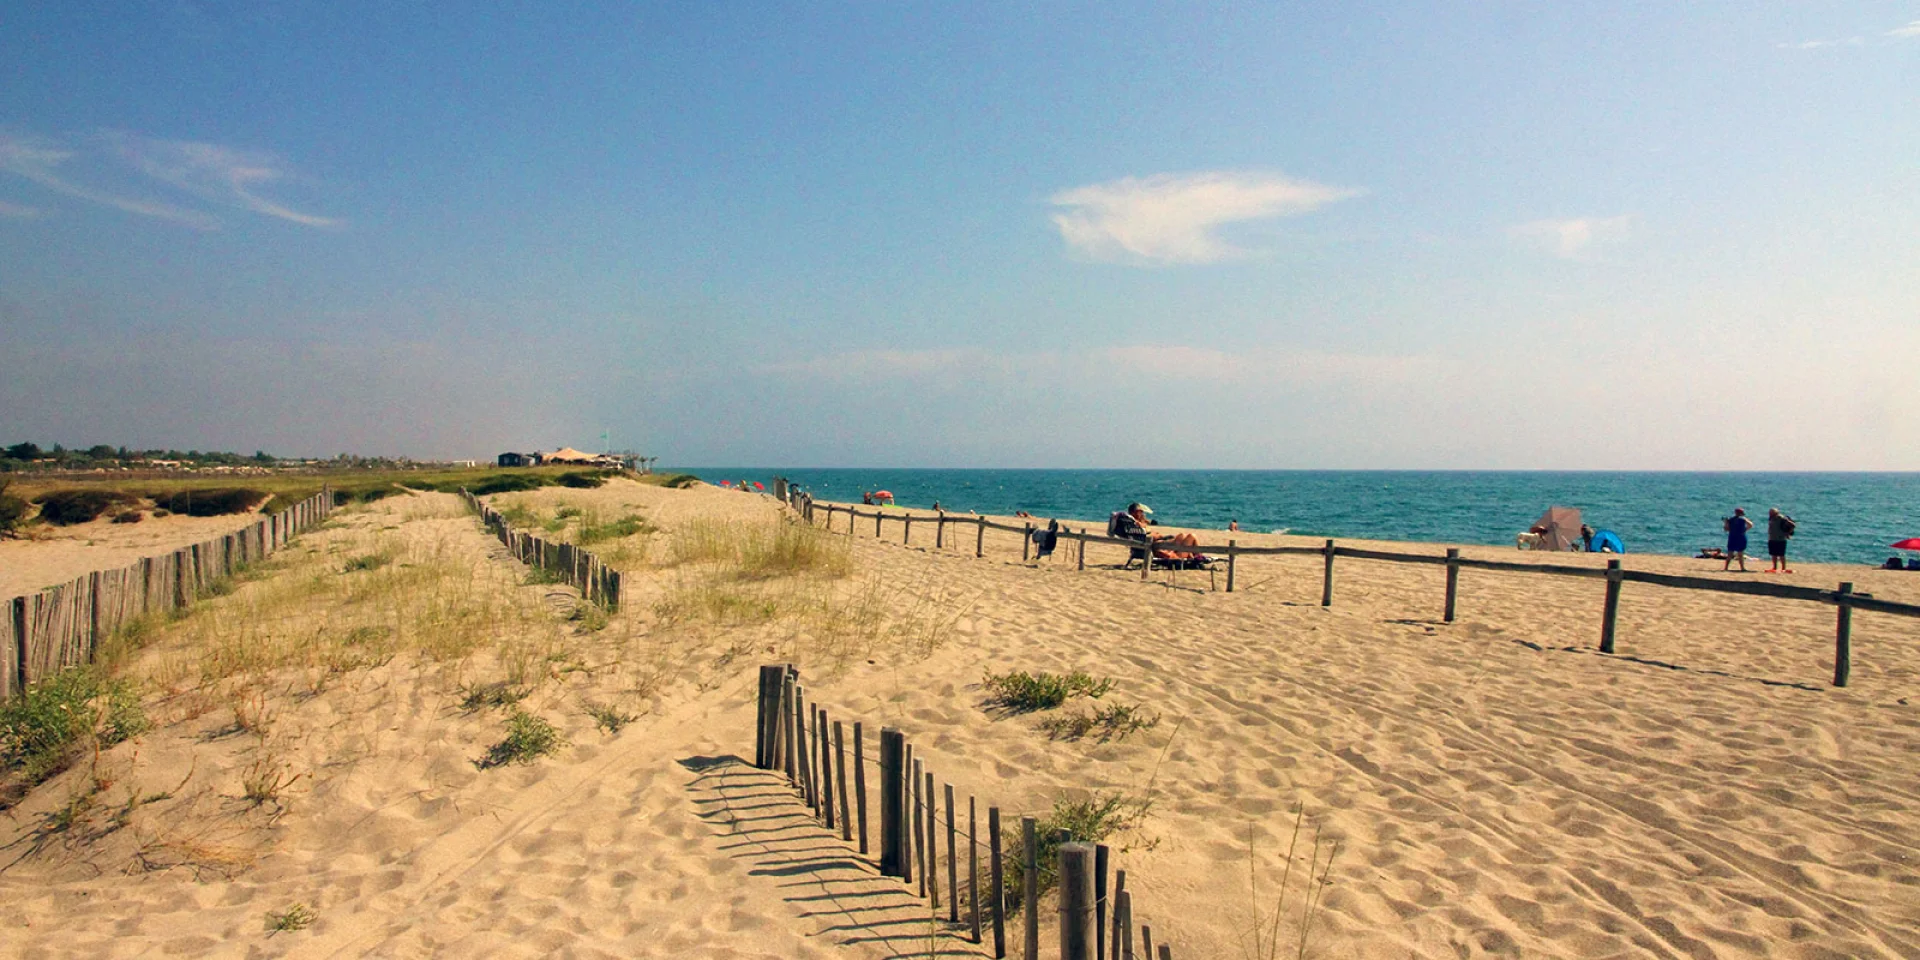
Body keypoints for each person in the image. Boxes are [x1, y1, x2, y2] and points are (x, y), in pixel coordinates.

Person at [1765, 507, 1796, 573]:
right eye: (1770, 513)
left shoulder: (1781, 518)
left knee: (1781, 554)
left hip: (1780, 539)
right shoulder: (1771, 518)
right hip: (1772, 538)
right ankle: (1775, 567)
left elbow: (1793, 525)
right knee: (1773, 554)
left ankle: (1783, 568)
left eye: (1772, 513)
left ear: (1776, 513)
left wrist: (1788, 533)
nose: (1770, 514)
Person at [1722, 508, 1754, 572]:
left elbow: (1726, 529)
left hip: (1732, 537)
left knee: (1730, 554)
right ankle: (1742, 568)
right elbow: (1751, 525)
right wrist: (1745, 529)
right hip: (1741, 537)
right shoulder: (1743, 519)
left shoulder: (1731, 520)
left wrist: (1726, 522)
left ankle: (1726, 567)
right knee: (1740, 554)